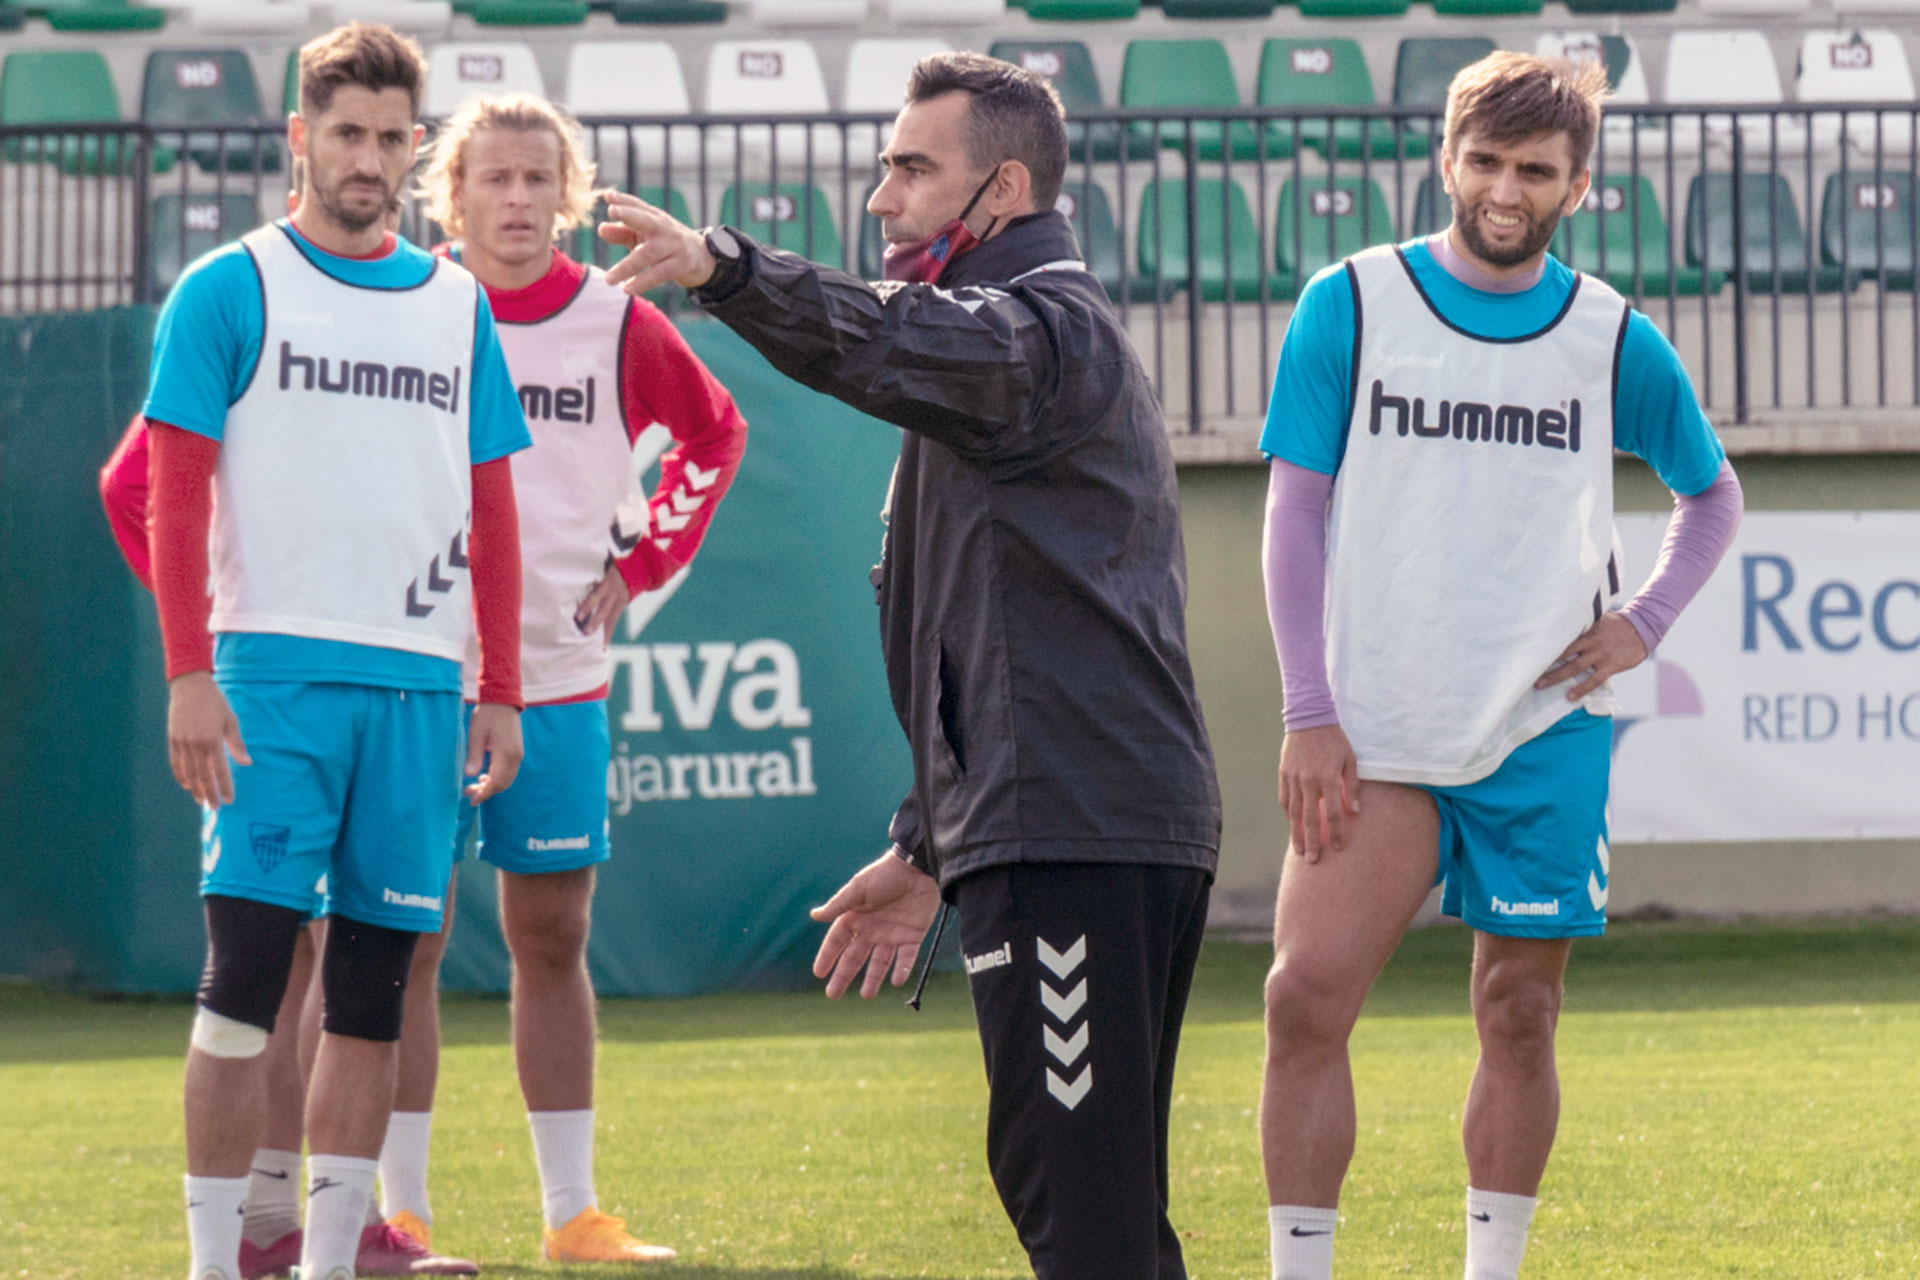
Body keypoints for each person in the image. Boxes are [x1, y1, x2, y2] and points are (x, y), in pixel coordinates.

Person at [598, 51, 1221, 1280]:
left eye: (909, 167)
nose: (880, 196)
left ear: (998, 190)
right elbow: (982, 639)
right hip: (1060, 820)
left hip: (1077, 829)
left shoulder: (1042, 329)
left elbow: (890, 340)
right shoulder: (1016, 354)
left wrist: (727, 268)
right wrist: (932, 838)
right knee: (1091, 1204)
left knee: (1082, 1210)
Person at [1255, 52, 1744, 1280]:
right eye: (1485, 162)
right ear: (1445, 161)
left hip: (1544, 728)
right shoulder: (1353, 303)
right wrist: (1308, 707)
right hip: (1373, 726)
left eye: (1535, 169)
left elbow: (1710, 494)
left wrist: (1646, 620)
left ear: (1579, 183)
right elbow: (1294, 516)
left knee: (1518, 1011)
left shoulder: (1609, 335)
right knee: (1303, 999)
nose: (1505, 189)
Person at [143, 22, 529, 1280]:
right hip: (271, 685)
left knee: (372, 990)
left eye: (390, 137)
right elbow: (172, 496)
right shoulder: (227, 288)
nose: (369, 158)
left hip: (421, 692)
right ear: (299, 138)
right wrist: (189, 672)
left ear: (417, 149)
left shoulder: (460, 303)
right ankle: (215, 1260)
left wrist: (501, 689)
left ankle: (321, 1259)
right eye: (346, 133)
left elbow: (496, 507)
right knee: (244, 981)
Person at [369, 91, 746, 1265]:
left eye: (541, 179)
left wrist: (643, 562)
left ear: (570, 195)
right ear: (456, 193)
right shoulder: (407, 302)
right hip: (420, 673)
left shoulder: (613, 318)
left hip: (559, 674)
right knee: (404, 939)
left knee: (552, 933)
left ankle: (572, 1213)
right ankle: (401, 1209)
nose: (520, 199)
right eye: (497, 178)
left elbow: (714, 432)